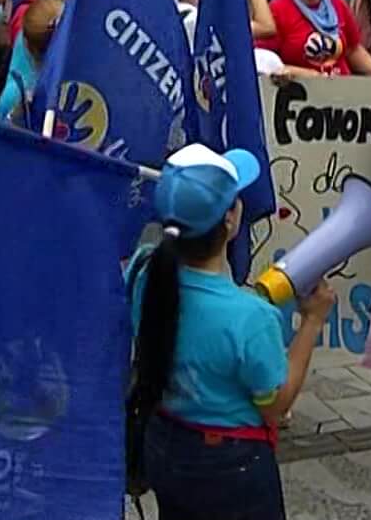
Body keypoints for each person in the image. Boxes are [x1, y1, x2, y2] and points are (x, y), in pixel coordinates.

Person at [128, 143, 334, 520]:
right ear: (230, 220)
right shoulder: (250, 316)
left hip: (164, 445)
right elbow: (276, 406)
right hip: (230, 466)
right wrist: (313, 322)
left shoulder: (143, 275)